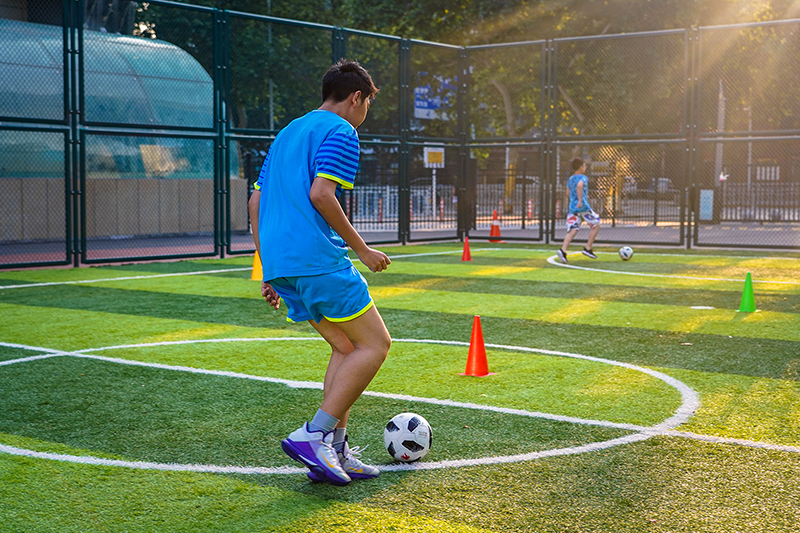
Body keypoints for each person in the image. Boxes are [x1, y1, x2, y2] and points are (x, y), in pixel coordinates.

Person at [248, 59, 392, 486]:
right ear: (356, 97)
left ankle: (336, 449)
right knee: (376, 345)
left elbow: (255, 203)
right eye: (368, 104)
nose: (365, 113)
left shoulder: (287, 133)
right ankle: (314, 434)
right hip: (316, 259)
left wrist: (269, 270)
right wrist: (362, 249)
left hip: (282, 263)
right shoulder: (342, 130)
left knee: (345, 347)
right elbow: (322, 194)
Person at [557, 158, 600, 264]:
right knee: (596, 224)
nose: (585, 168)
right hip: (583, 207)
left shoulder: (570, 178)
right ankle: (588, 248)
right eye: (584, 166)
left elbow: (568, 193)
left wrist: (578, 196)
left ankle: (563, 250)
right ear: (581, 167)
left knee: (573, 230)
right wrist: (580, 200)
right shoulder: (583, 177)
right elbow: (579, 185)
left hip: (573, 208)